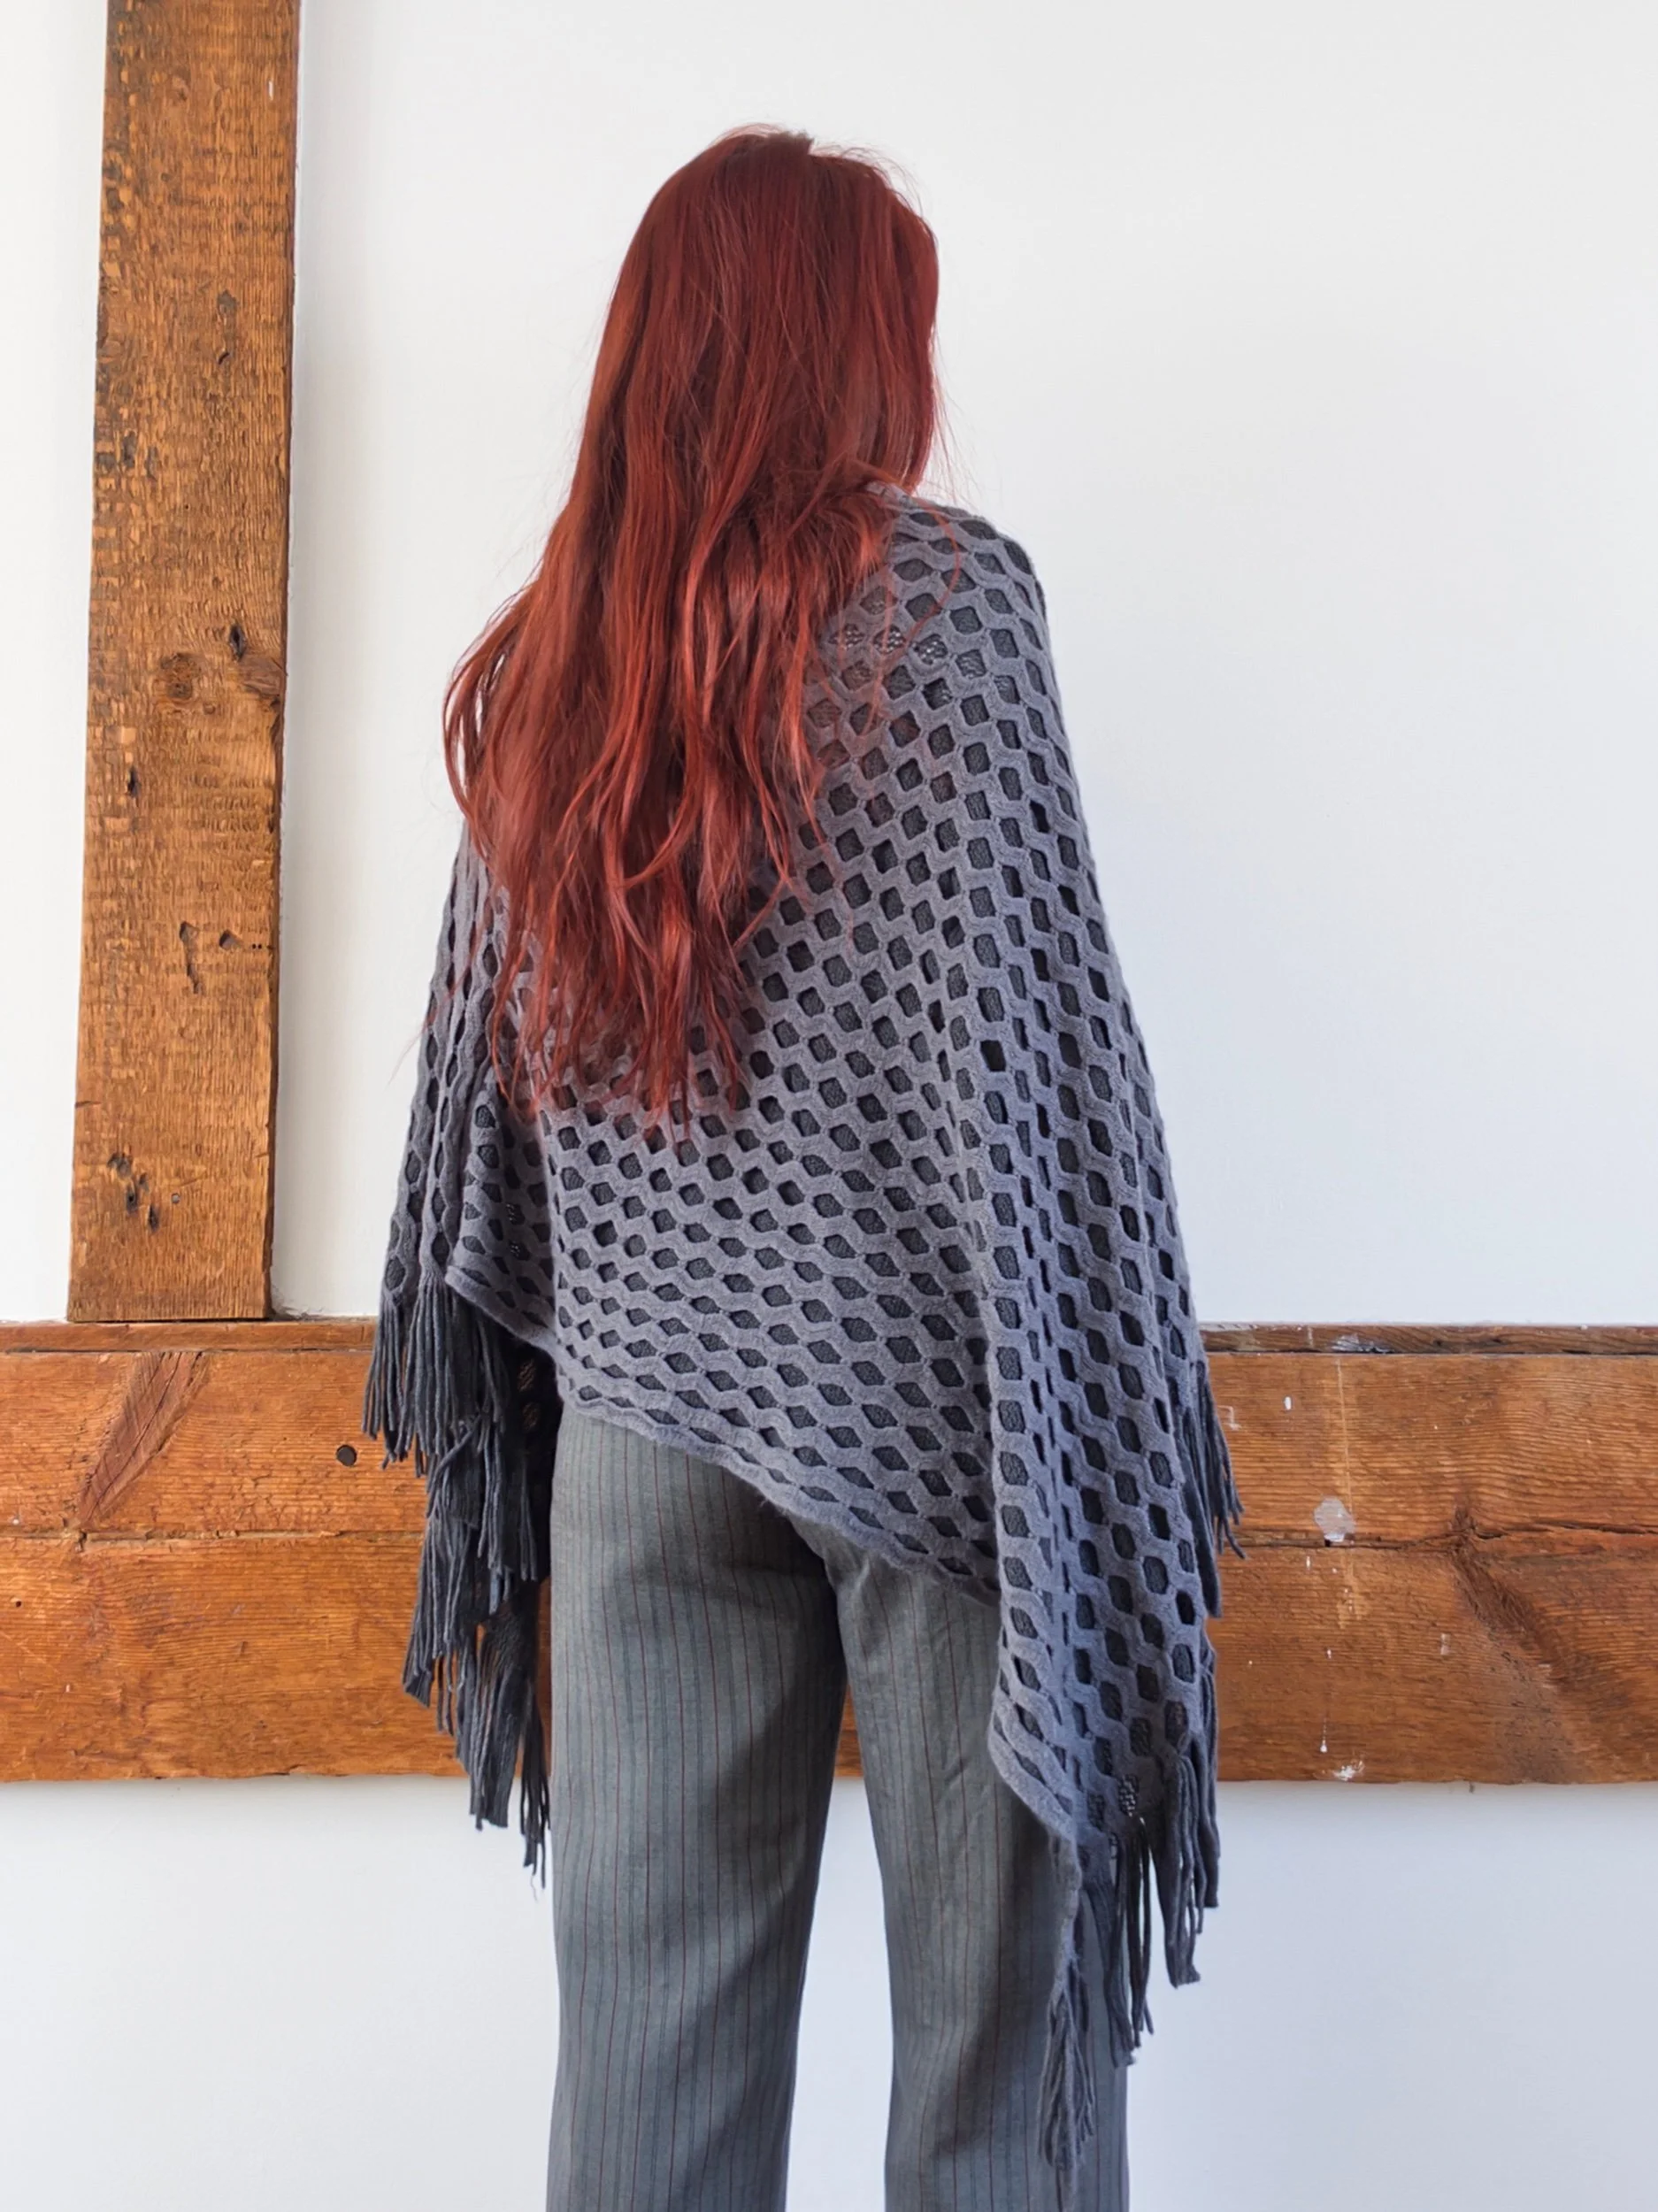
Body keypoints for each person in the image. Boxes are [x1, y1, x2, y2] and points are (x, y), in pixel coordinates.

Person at [366, 125, 1238, 2212]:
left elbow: (495, 1091)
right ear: (840, 346)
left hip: (634, 1431)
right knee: (995, 2062)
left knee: (646, 2047)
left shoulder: (561, 657)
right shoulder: (949, 609)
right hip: (939, 1439)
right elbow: (1040, 1083)